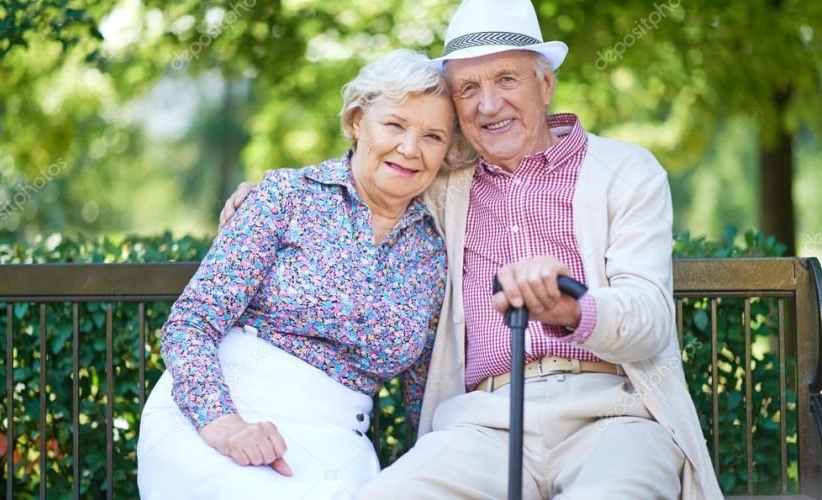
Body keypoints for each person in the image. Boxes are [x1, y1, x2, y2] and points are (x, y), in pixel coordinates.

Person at [220, 1, 723, 498]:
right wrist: (276, 192)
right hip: (484, 425)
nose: (488, 105)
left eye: (507, 79)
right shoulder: (444, 185)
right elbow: (378, 158)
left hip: (614, 415)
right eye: (468, 88)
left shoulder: (625, 172)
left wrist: (574, 308)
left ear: (544, 84)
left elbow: (651, 319)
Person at [137, 49, 473, 500]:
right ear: (357, 122)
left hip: (336, 445)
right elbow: (191, 322)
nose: (410, 149)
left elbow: (423, 396)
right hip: (216, 415)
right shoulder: (286, 196)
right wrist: (225, 424)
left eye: (432, 136)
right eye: (394, 125)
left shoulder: (432, 253)